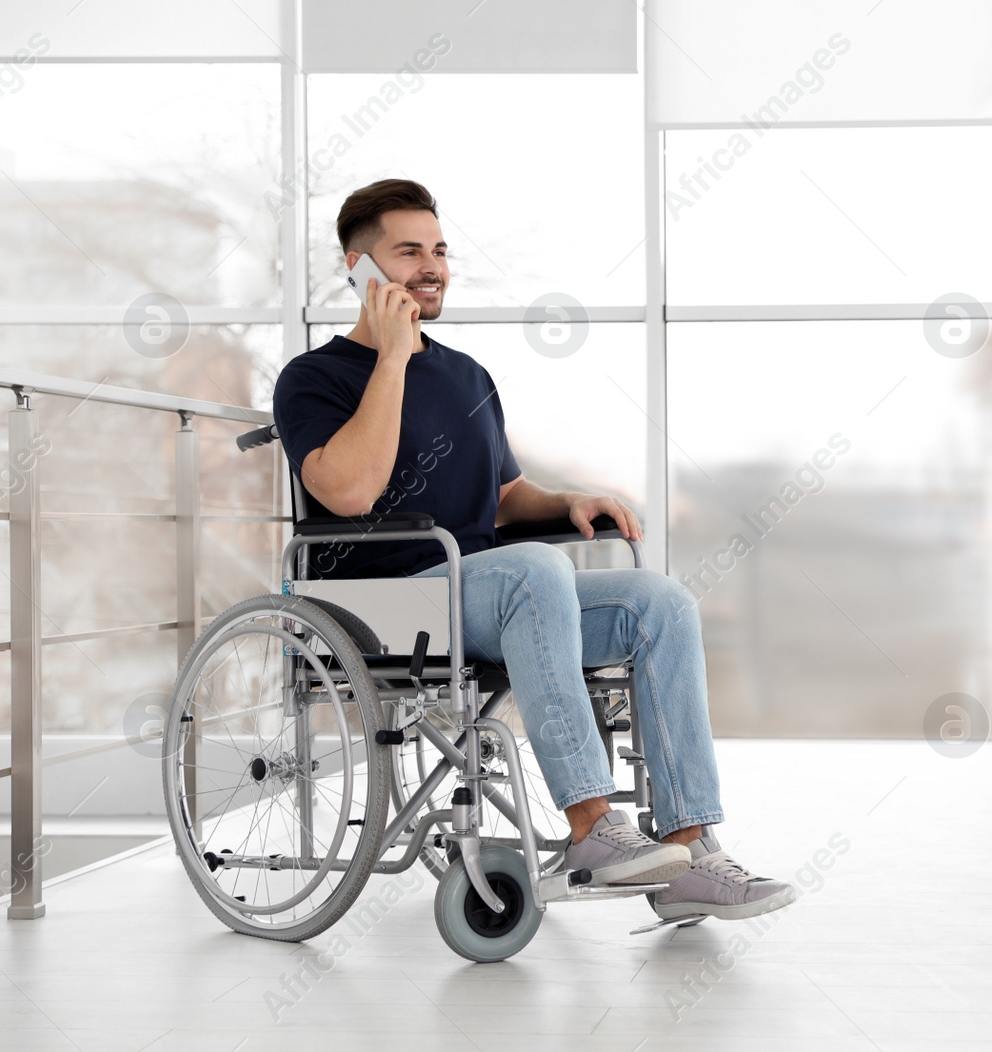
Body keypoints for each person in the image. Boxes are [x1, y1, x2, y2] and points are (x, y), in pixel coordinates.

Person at [272, 178, 794, 924]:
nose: (432, 266)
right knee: (534, 569)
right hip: (380, 604)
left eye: (440, 251)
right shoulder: (314, 378)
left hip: (485, 592)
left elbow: (504, 495)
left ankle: (687, 850)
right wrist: (392, 357)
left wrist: (566, 502)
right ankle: (592, 830)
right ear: (359, 268)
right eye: (408, 251)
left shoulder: (466, 376)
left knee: (659, 602)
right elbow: (348, 492)